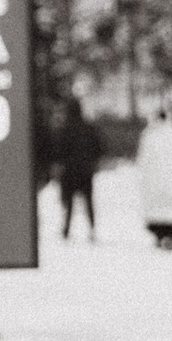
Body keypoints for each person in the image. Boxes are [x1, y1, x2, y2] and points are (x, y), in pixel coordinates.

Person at [136, 101, 172, 253]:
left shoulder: (149, 136)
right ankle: (169, 236)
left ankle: (159, 235)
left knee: (156, 210)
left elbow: (142, 159)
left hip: (154, 182)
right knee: (171, 211)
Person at [53, 99, 103, 240]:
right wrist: (94, 162)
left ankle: (66, 229)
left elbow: (58, 150)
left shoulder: (64, 129)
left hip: (69, 171)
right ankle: (92, 229)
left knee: (68, 203)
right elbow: (98, 147)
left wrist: (59, 164)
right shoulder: (88, 127)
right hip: (85, 170)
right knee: (88, 201)